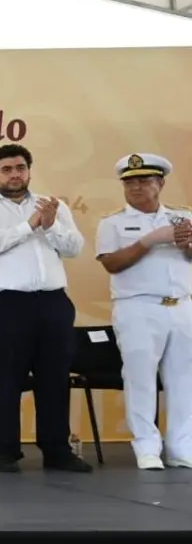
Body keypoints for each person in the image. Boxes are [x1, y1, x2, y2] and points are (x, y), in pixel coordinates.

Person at [0, 144, 92, 473]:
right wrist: (28, 226)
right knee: (7, 378)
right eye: (6, 169)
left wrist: (50, 225)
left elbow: (75, 247)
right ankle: (6, 452)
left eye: (20, 167)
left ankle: (56, 449)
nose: (15, 174)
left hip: (53, 301)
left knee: (55, 377)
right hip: (7, 303)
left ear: (29, 170)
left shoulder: (51, 206)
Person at [94, 153, 192, 470]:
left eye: (144, 180)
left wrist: (187, 246)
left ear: (160, 183)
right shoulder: (113, 222)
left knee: (184, 380)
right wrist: (150, 240)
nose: (136, 187)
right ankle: (147, 447)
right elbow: (112, 263)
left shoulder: (183, 217)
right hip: (138, 307)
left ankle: (181, 446)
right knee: (140, 378)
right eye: (130, 181)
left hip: (182, 305)